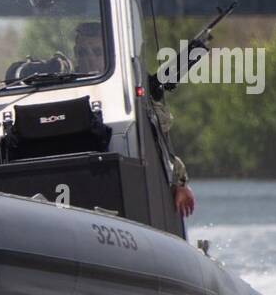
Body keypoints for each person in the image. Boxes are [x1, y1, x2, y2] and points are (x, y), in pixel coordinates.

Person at [73, 22, 196, 218]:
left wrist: (180, 183)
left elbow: (160, 144)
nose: (89, 59)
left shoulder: (125, 93)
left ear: (108, 55)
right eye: (82, 53)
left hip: (122, 185)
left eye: (96, 52)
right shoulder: (67, 90)